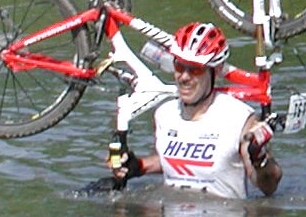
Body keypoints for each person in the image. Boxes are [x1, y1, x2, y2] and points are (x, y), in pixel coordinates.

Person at [112, 21, 282, 197]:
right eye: (179, 66)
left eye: (195, 70)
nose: (184, 77)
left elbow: (268, 186)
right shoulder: (165, 113)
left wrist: (259, 157)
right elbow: (181, 161)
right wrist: (138, 166)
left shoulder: (239, 118)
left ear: (215, 71)